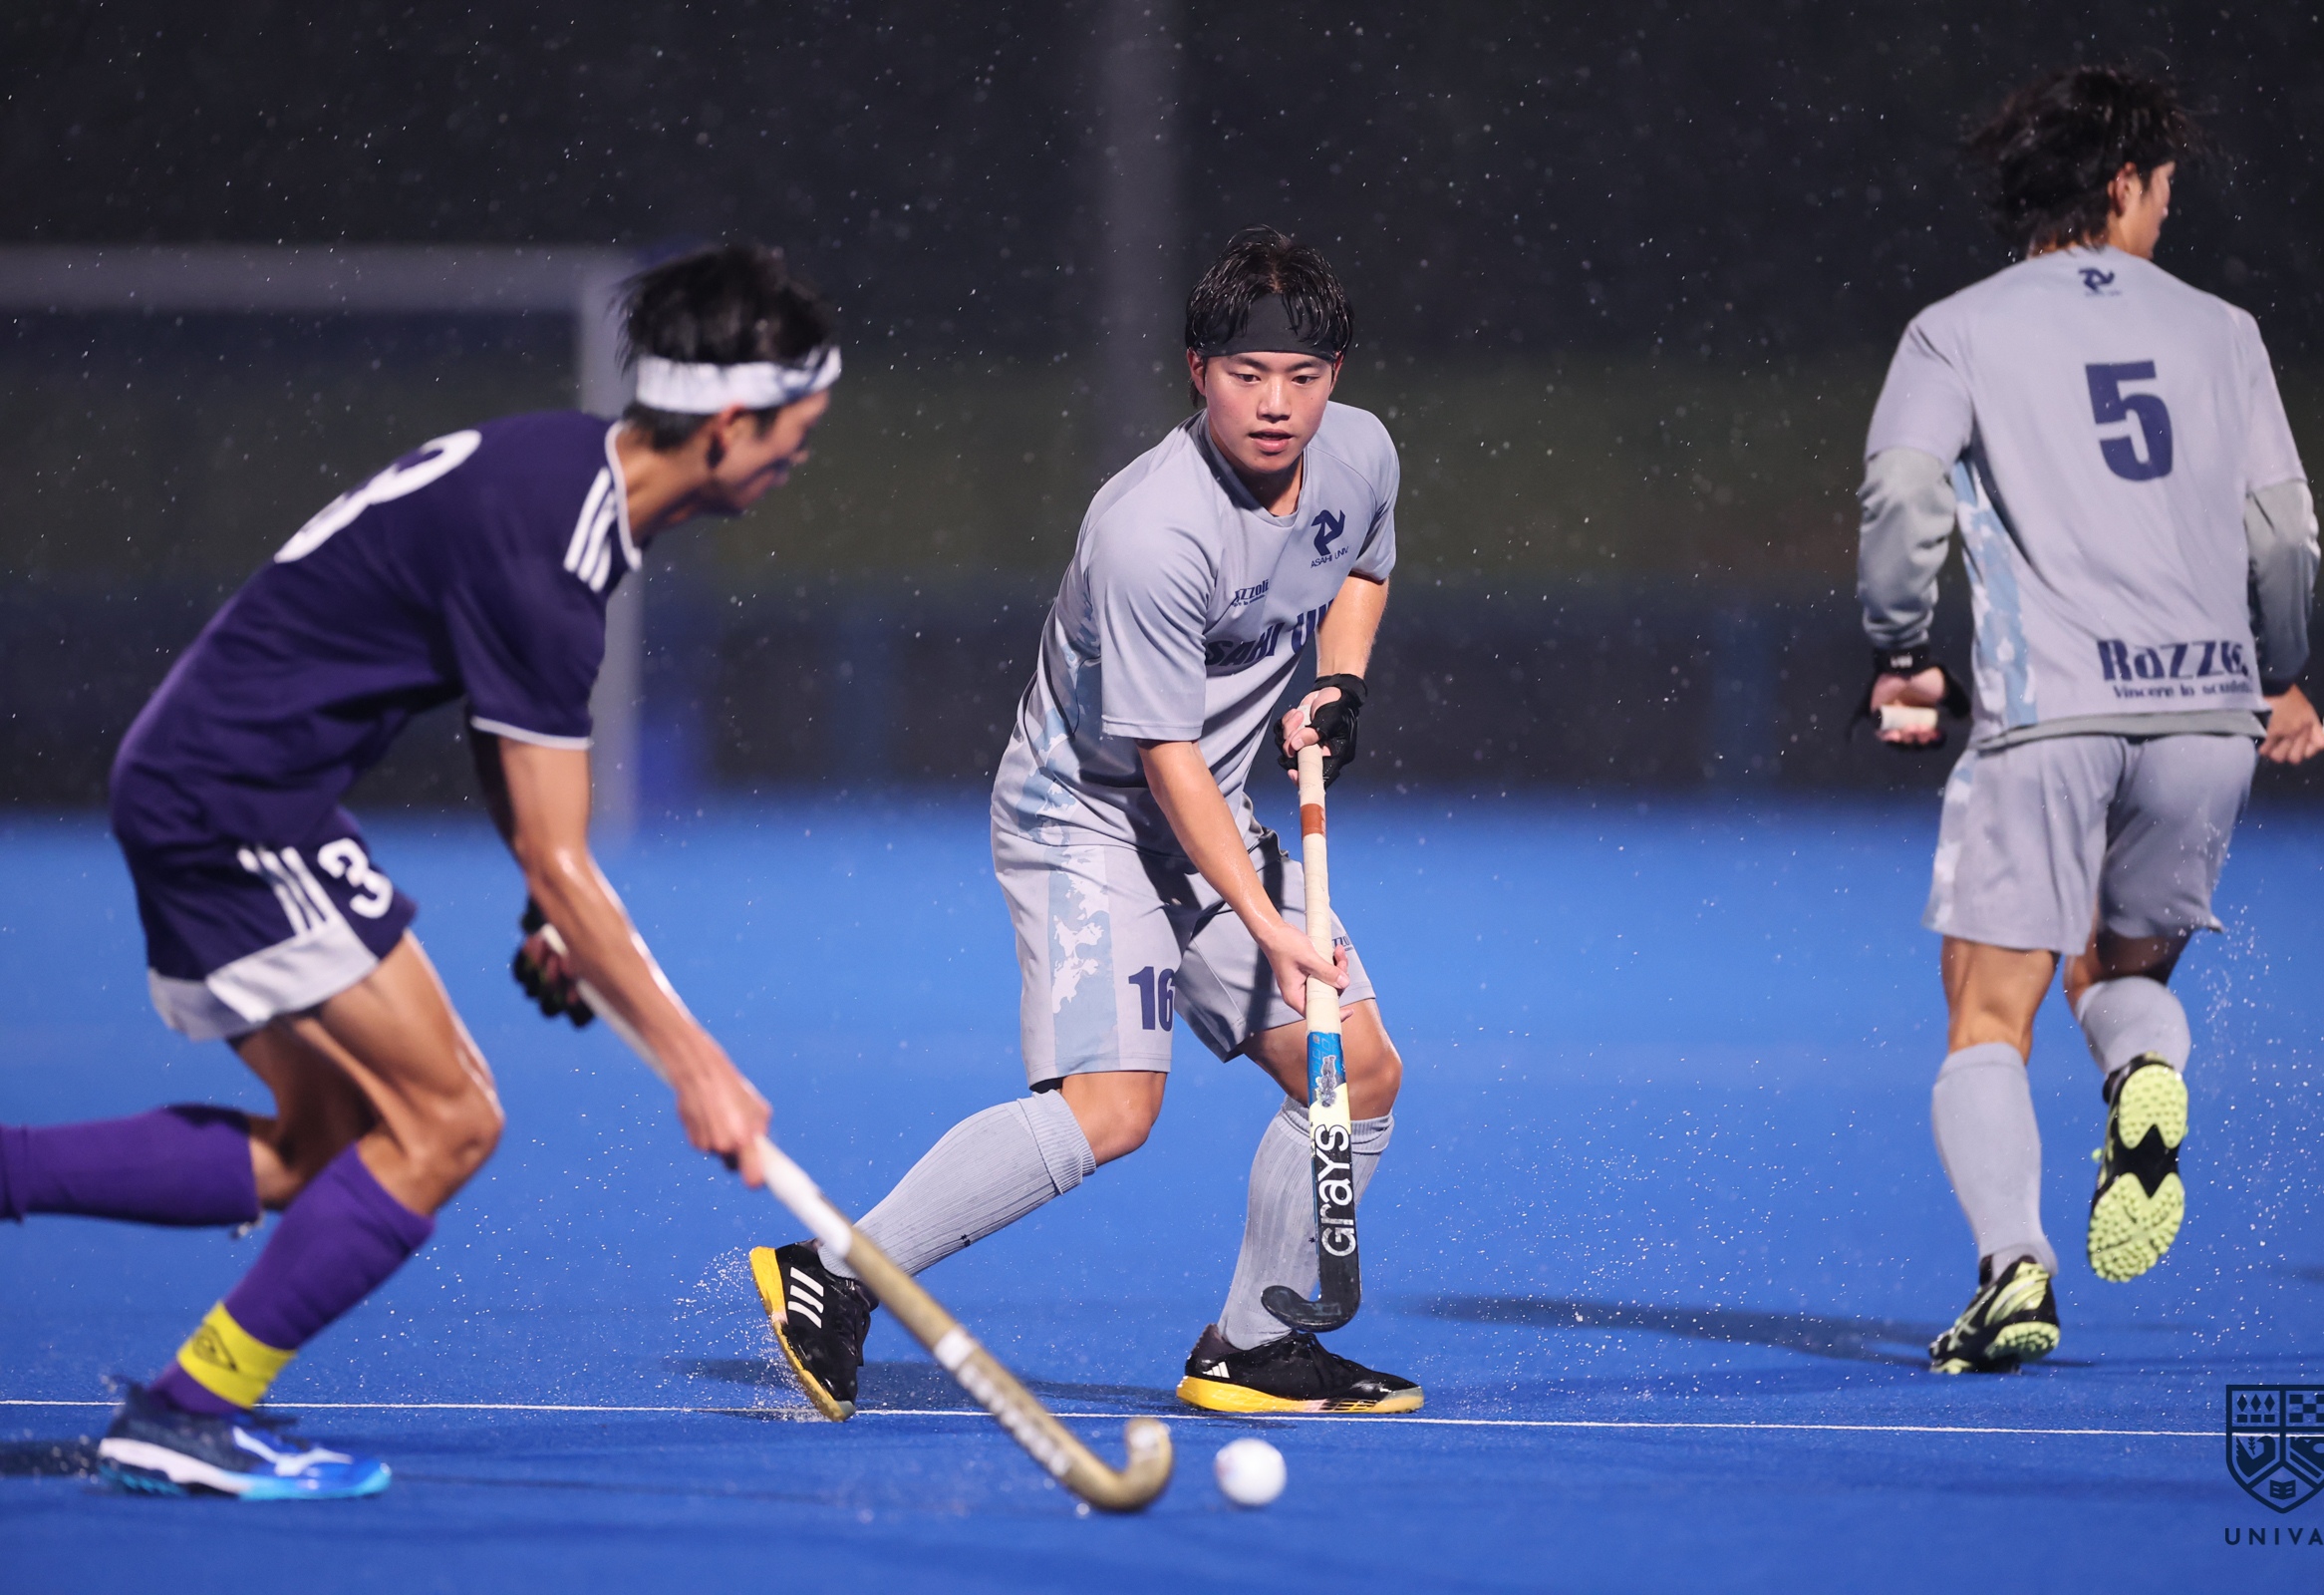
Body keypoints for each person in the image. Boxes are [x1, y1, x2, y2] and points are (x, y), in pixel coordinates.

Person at [0, 242, 836, 1496]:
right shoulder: (555, 549)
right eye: (795, 435)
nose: (799, 460)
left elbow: (525, 794)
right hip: (238, 804)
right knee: (447, 1121)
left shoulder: (559, 476)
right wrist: (698, 1067)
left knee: (319, 1143)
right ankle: (188, 1409)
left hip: (213, 784)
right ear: (727, 425)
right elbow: (558, 851)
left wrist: (553, 905)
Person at [741, 227, 1421, 1420]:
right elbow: (1166, 760)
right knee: (1113, 1107)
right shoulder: (1152, 530)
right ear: (1197, 370)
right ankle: (836, 1271)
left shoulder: (1360, 455)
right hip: (1087, 816)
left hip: (1210, 808)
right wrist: (1270, 924)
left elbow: (1362, 566)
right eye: (1247, 374)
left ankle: (1256, 1345)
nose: (1276, 405)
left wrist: (1340, 683)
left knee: (1358, 1073)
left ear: (1338, 376)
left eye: (1303, 377)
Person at [1856, 67, 2324, 1374]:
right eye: (2163, 189)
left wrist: (1902, 653)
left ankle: (2014, 1270)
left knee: (1987, 1012)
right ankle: (2142, 1075)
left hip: (2048, 717)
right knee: (2117, 974)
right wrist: (2280, 673)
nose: (2165, 214)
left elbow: (1903, 496)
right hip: (2207, 721)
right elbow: (2284, 531)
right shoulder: (2224, 331)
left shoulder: (1955, 329)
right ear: (2120, 185)